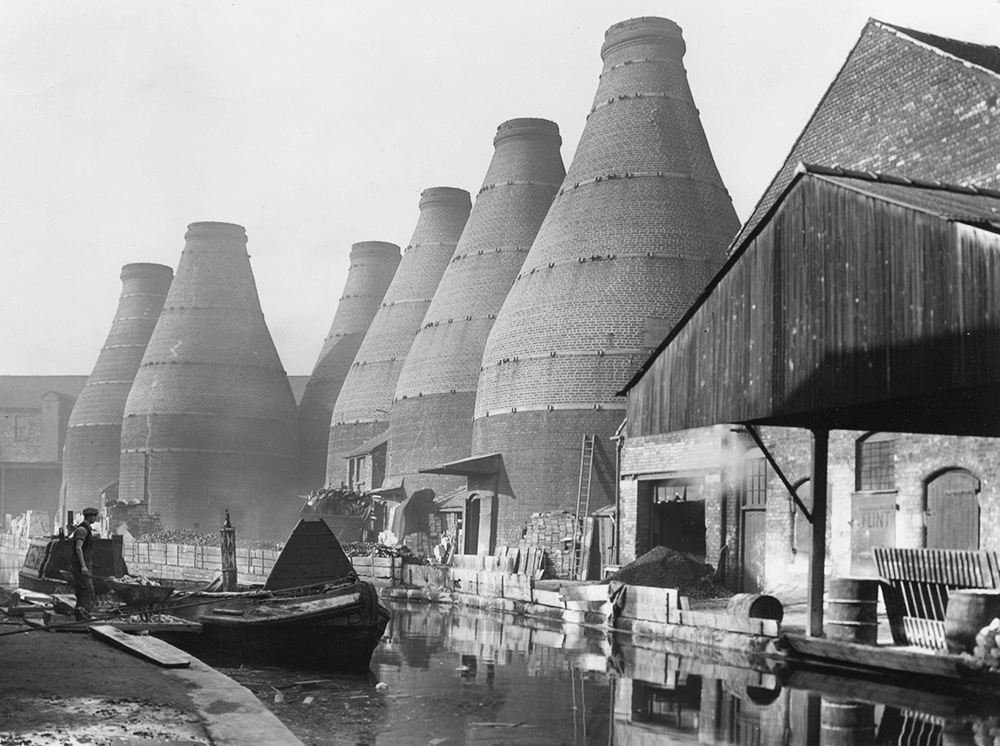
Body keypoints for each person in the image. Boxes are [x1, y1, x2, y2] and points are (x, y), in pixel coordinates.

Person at [70, 507, 99, 621]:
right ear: (90, 516)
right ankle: (83, 616)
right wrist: (83, 566)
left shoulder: (86, 529)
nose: (95, 518)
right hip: (80, 566)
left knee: (83, 590)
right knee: (86, 590)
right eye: (94, 516)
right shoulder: (82, 530)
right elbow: (78, 548)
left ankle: (81, 615)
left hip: (84, 565)